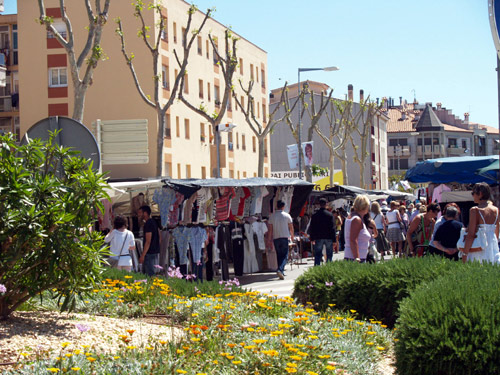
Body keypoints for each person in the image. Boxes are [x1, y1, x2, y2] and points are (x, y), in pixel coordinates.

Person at [462, 183, 500, 264]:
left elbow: (471, 234)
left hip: (479, 245)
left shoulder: (475, 210)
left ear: (480, 194)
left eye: (473, 193)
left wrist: (465, 253)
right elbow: (497, 231)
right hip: (493, 246)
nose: (472, 196)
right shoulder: (496, 210)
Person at [268, 200, 294, 279]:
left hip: (276, 238)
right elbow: (291, 227)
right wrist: (292, 236)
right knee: (285, 255)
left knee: (279, 255)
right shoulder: (287, 215)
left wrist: (269, 239)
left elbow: (270, 229)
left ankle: (281, 271)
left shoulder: (272, 216)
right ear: (283, 206)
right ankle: (280, 269)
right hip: (284, 237)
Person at [308, 198, 336, 266]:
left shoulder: (315, 215)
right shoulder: (330, 215)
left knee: (317, 254)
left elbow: (312, 227)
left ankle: (317, 269)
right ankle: (329, 268)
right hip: (328, 237)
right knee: (329, 254)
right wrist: (334, 240)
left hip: (318, 237)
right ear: (326, 204)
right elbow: (332, 228)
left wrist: (312, 238)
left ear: (319, 204)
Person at [344, 195, 371, 262]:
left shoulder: (352, 217)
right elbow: (353, 240)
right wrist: (357, 258)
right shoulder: (356, 219)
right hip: (356, 258)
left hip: (355, 256)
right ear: (364, 206)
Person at [138, 205, 161, 277]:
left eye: (140, 213)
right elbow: (160, 237)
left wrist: (142, 255)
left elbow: (148, 241)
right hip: (155, 252)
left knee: (150, 274)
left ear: (145, 213)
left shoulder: (148, 224)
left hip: (149, 253)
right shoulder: (154, 222)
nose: (138, 215)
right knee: (153, 273)